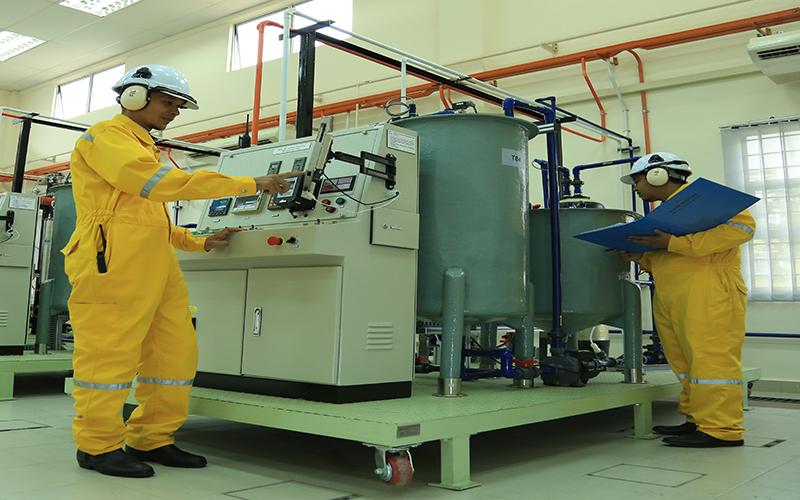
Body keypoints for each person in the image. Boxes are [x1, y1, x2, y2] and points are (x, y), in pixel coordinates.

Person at [63, 64, 302, 478]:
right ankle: (97, 446)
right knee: (109, 355)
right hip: (110, 260)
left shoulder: (143, 147)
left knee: (174, 353)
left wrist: (198, 241)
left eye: (178, 105)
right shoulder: (107, 136)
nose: (173, 111)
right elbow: (155, 186)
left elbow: (149, 220)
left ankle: (152, 437)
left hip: (156, 264)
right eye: (167, 102)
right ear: (134, 96)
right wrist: (250, 183)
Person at [615, 152, 755, 448]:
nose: (636, 187)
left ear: (658, 175)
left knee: (711, 358)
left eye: (638, 180)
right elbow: (669, 258)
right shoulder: (665, 214)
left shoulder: (705, 200)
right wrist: (640, 257)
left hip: (709, 288)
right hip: (672, 291)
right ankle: (698, 420)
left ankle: (722, 429)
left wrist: (674, 242)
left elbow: (743, 228)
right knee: (684, 360)